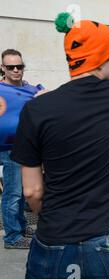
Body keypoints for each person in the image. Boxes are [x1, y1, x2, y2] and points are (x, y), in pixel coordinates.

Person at [11, 13, 109, 279]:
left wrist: (52, 216)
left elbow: (31, 190)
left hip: (55, 239)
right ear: (102, 57)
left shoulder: (36, 110)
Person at [0, 49, 41, 249]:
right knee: (13, 193)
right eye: (11, 67)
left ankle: (21, 227)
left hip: (26, 147)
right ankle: (12, 237)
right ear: (3, 68)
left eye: (20, 66)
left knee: (22, 192)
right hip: (7, 148)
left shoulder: (30, 90)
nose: (16, 70)